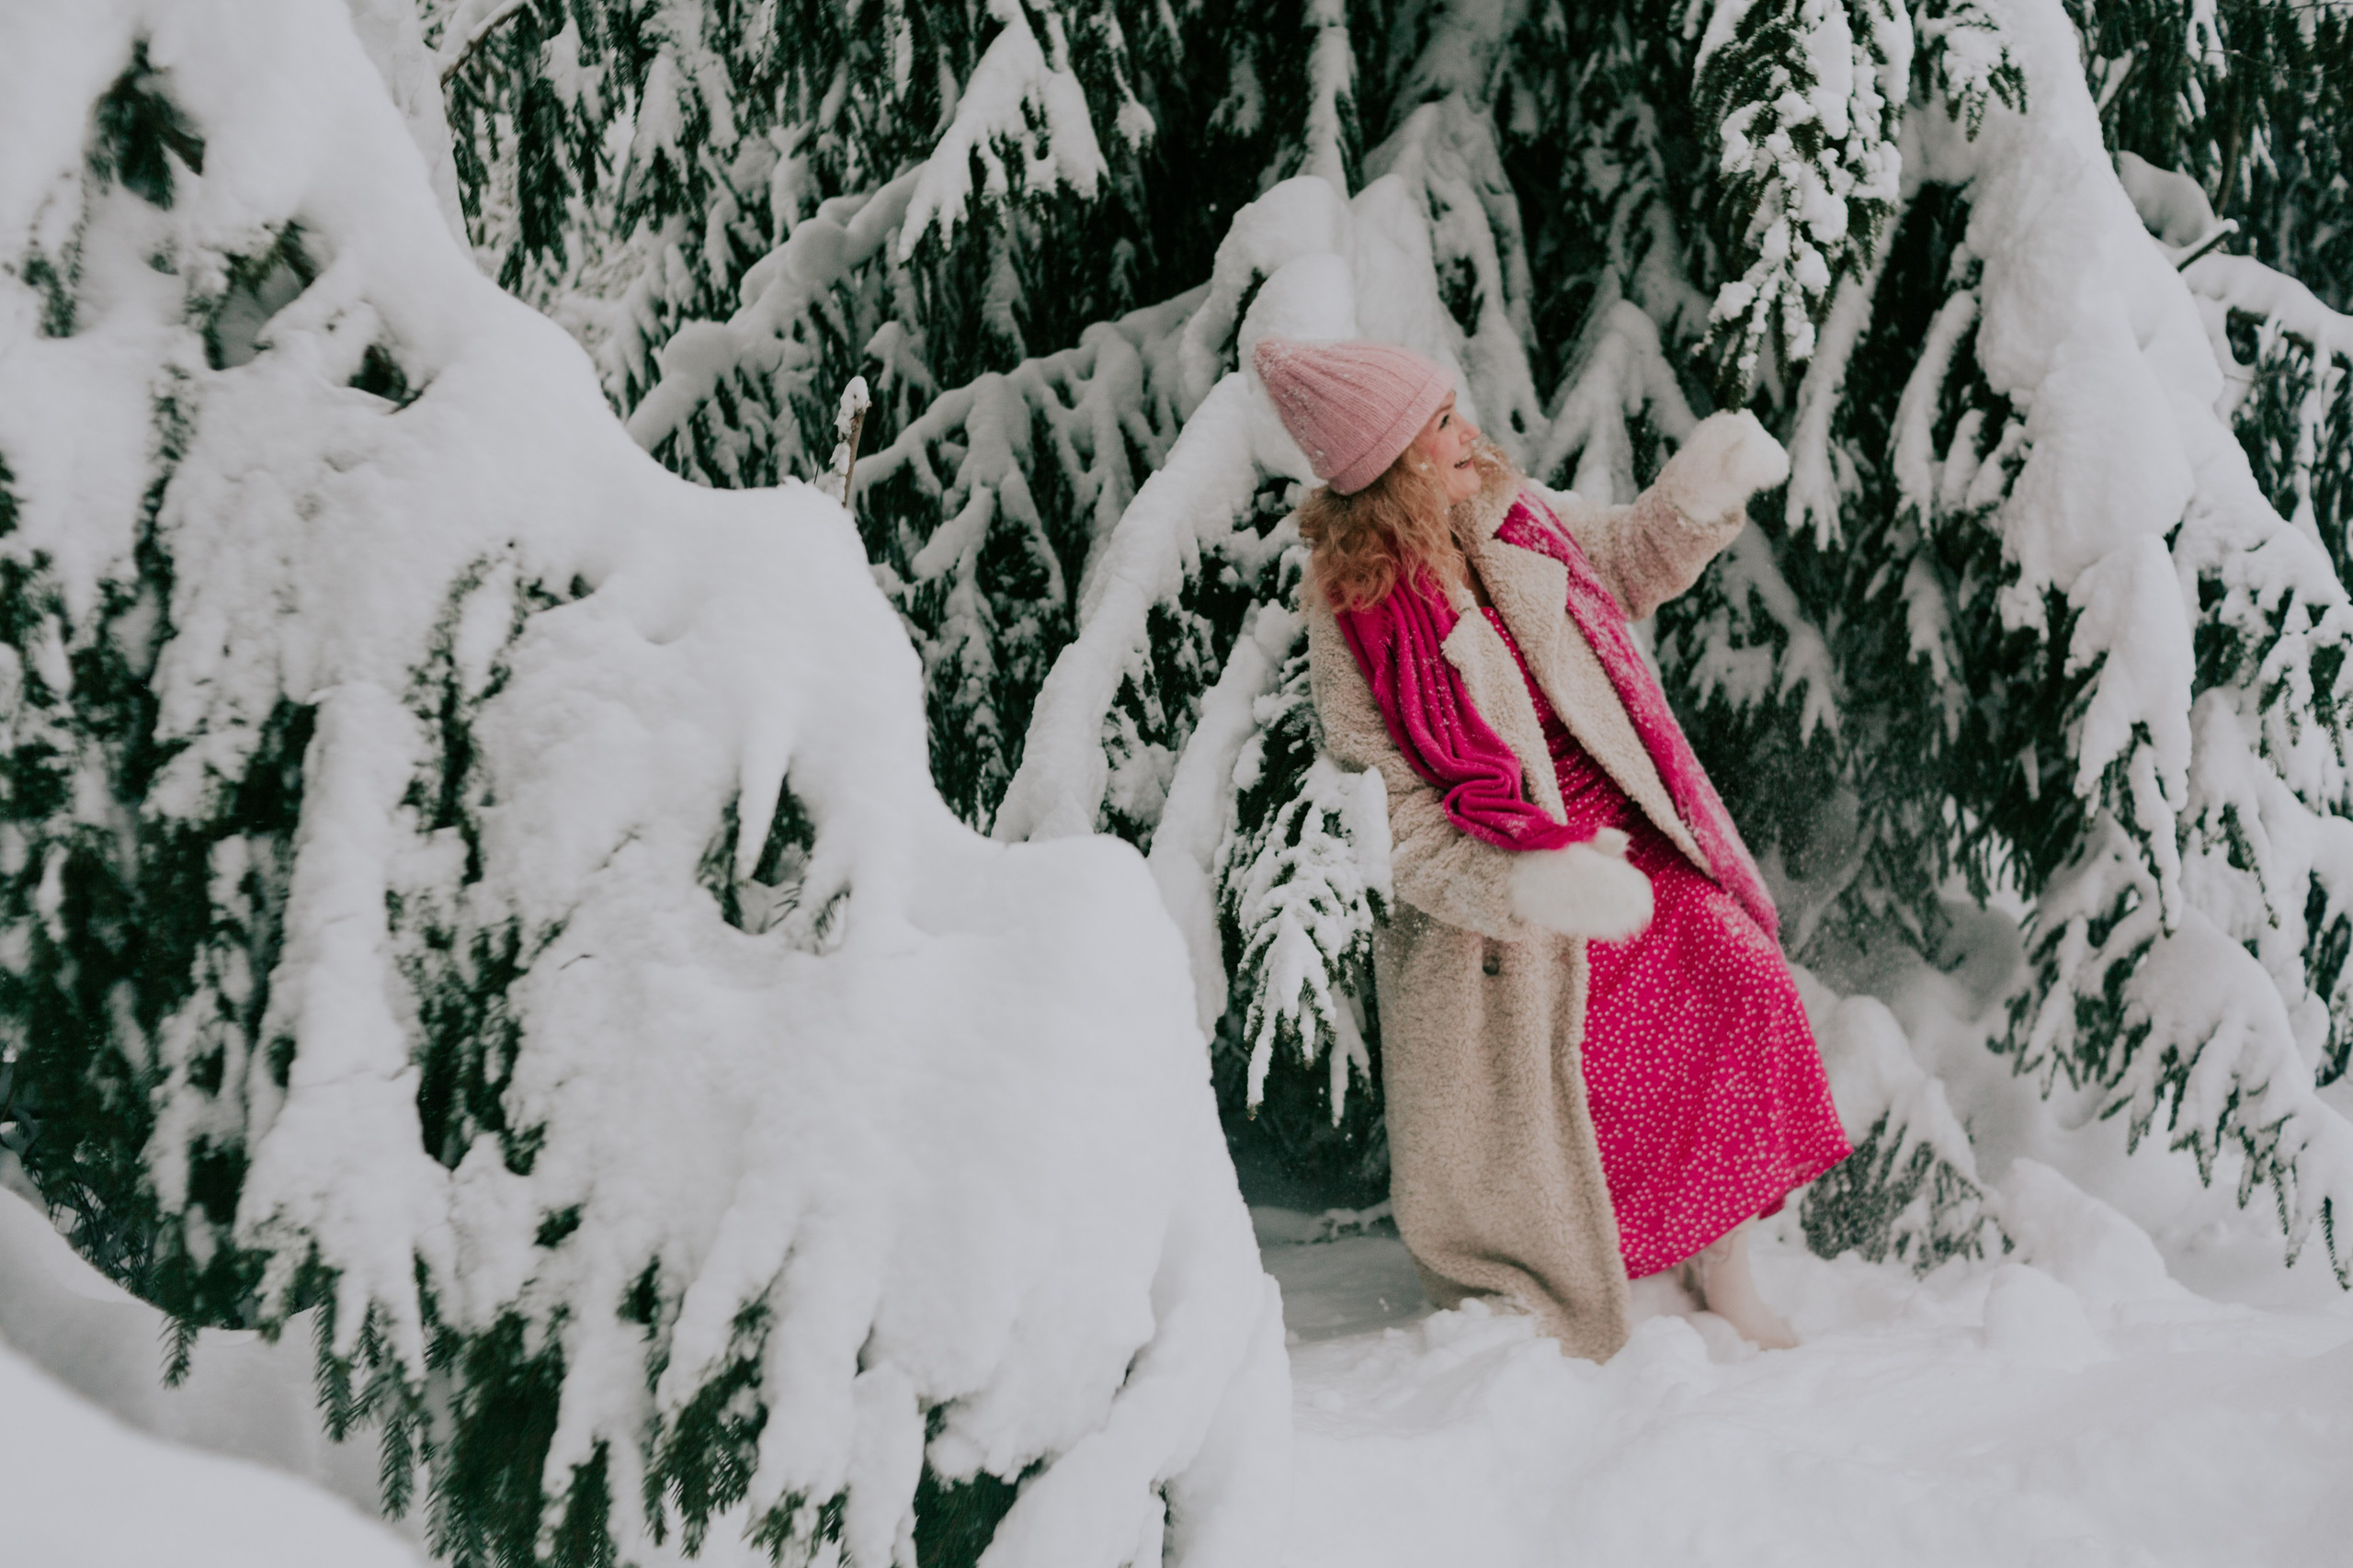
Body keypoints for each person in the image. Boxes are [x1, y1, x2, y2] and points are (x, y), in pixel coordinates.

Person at [1256, 335, 1851, 1358]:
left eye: (1453, 409)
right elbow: (1398, 832)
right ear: (1392, 465)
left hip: (1626, 825)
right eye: (1440, 423)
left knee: (1743, 977)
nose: (1466, 432)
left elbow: (1624, 560)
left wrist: (1696, 496)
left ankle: (1726, 1265)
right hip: (1505, 888)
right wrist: (1530, 885)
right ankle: (1612, 1260)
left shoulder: (1510, 514)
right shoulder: (1356, 623)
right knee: (1578, 1072)